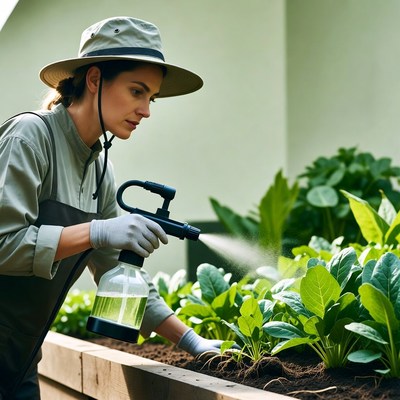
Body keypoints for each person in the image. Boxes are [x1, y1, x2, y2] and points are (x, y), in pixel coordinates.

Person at [0, 16, 227, 400]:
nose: (146, 110)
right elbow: (4, 245)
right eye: (137, 91)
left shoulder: (99, 168)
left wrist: (192, 341)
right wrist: (97, 231)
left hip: (18, 362)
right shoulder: (30, 137)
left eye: (151, 97)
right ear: (94, 79)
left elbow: (111, 269)